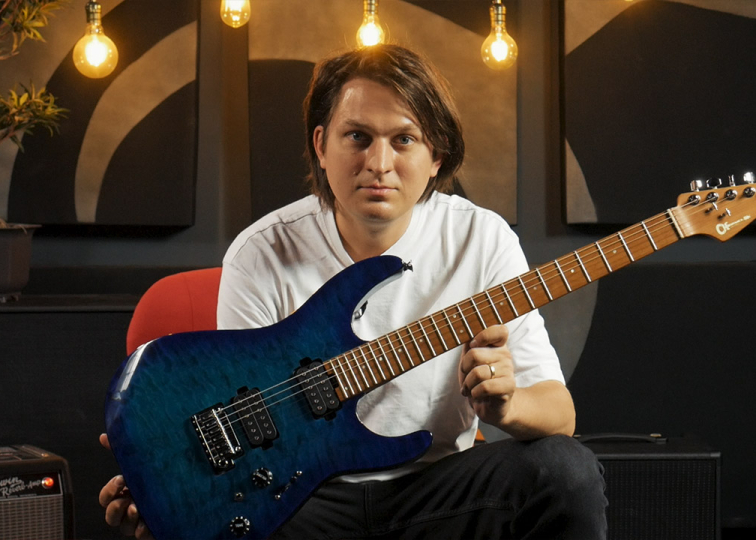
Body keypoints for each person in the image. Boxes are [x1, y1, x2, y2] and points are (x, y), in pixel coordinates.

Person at [100, 44, 606, 539]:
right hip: (305, 500)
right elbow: (238, 418)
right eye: (358, 137)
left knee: (566, 469)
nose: (379, 163)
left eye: (404, 139)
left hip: (438, 491)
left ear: (436, 155)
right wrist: (169, 483)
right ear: (322, 146)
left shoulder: (481, 239)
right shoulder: (262, 252)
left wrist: (509, 407)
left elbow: (559, 413)